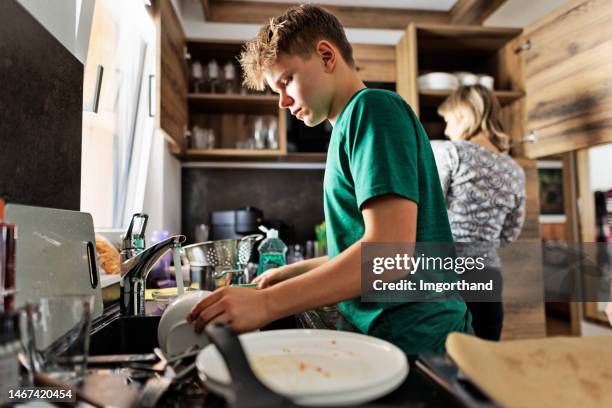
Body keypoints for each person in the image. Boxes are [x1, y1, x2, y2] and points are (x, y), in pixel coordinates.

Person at [188, 4, 471, 354]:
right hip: (388, 334)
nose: (283, 101)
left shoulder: (372, 110)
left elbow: (392, 256)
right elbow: (363, 246)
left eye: (287, 80)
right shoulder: (350, 125)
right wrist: (292, 273)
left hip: (415, 339)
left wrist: (268, 303)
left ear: (325, 55)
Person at [432, 85, 526, 341]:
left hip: (447, 274)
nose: (447, 130)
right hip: (488, 277)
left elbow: (429, 213)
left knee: (442, 367)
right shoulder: (515, 170)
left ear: (464, 116)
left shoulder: (452, 152)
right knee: (485, 364)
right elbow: (509, 234)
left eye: (448, 121)